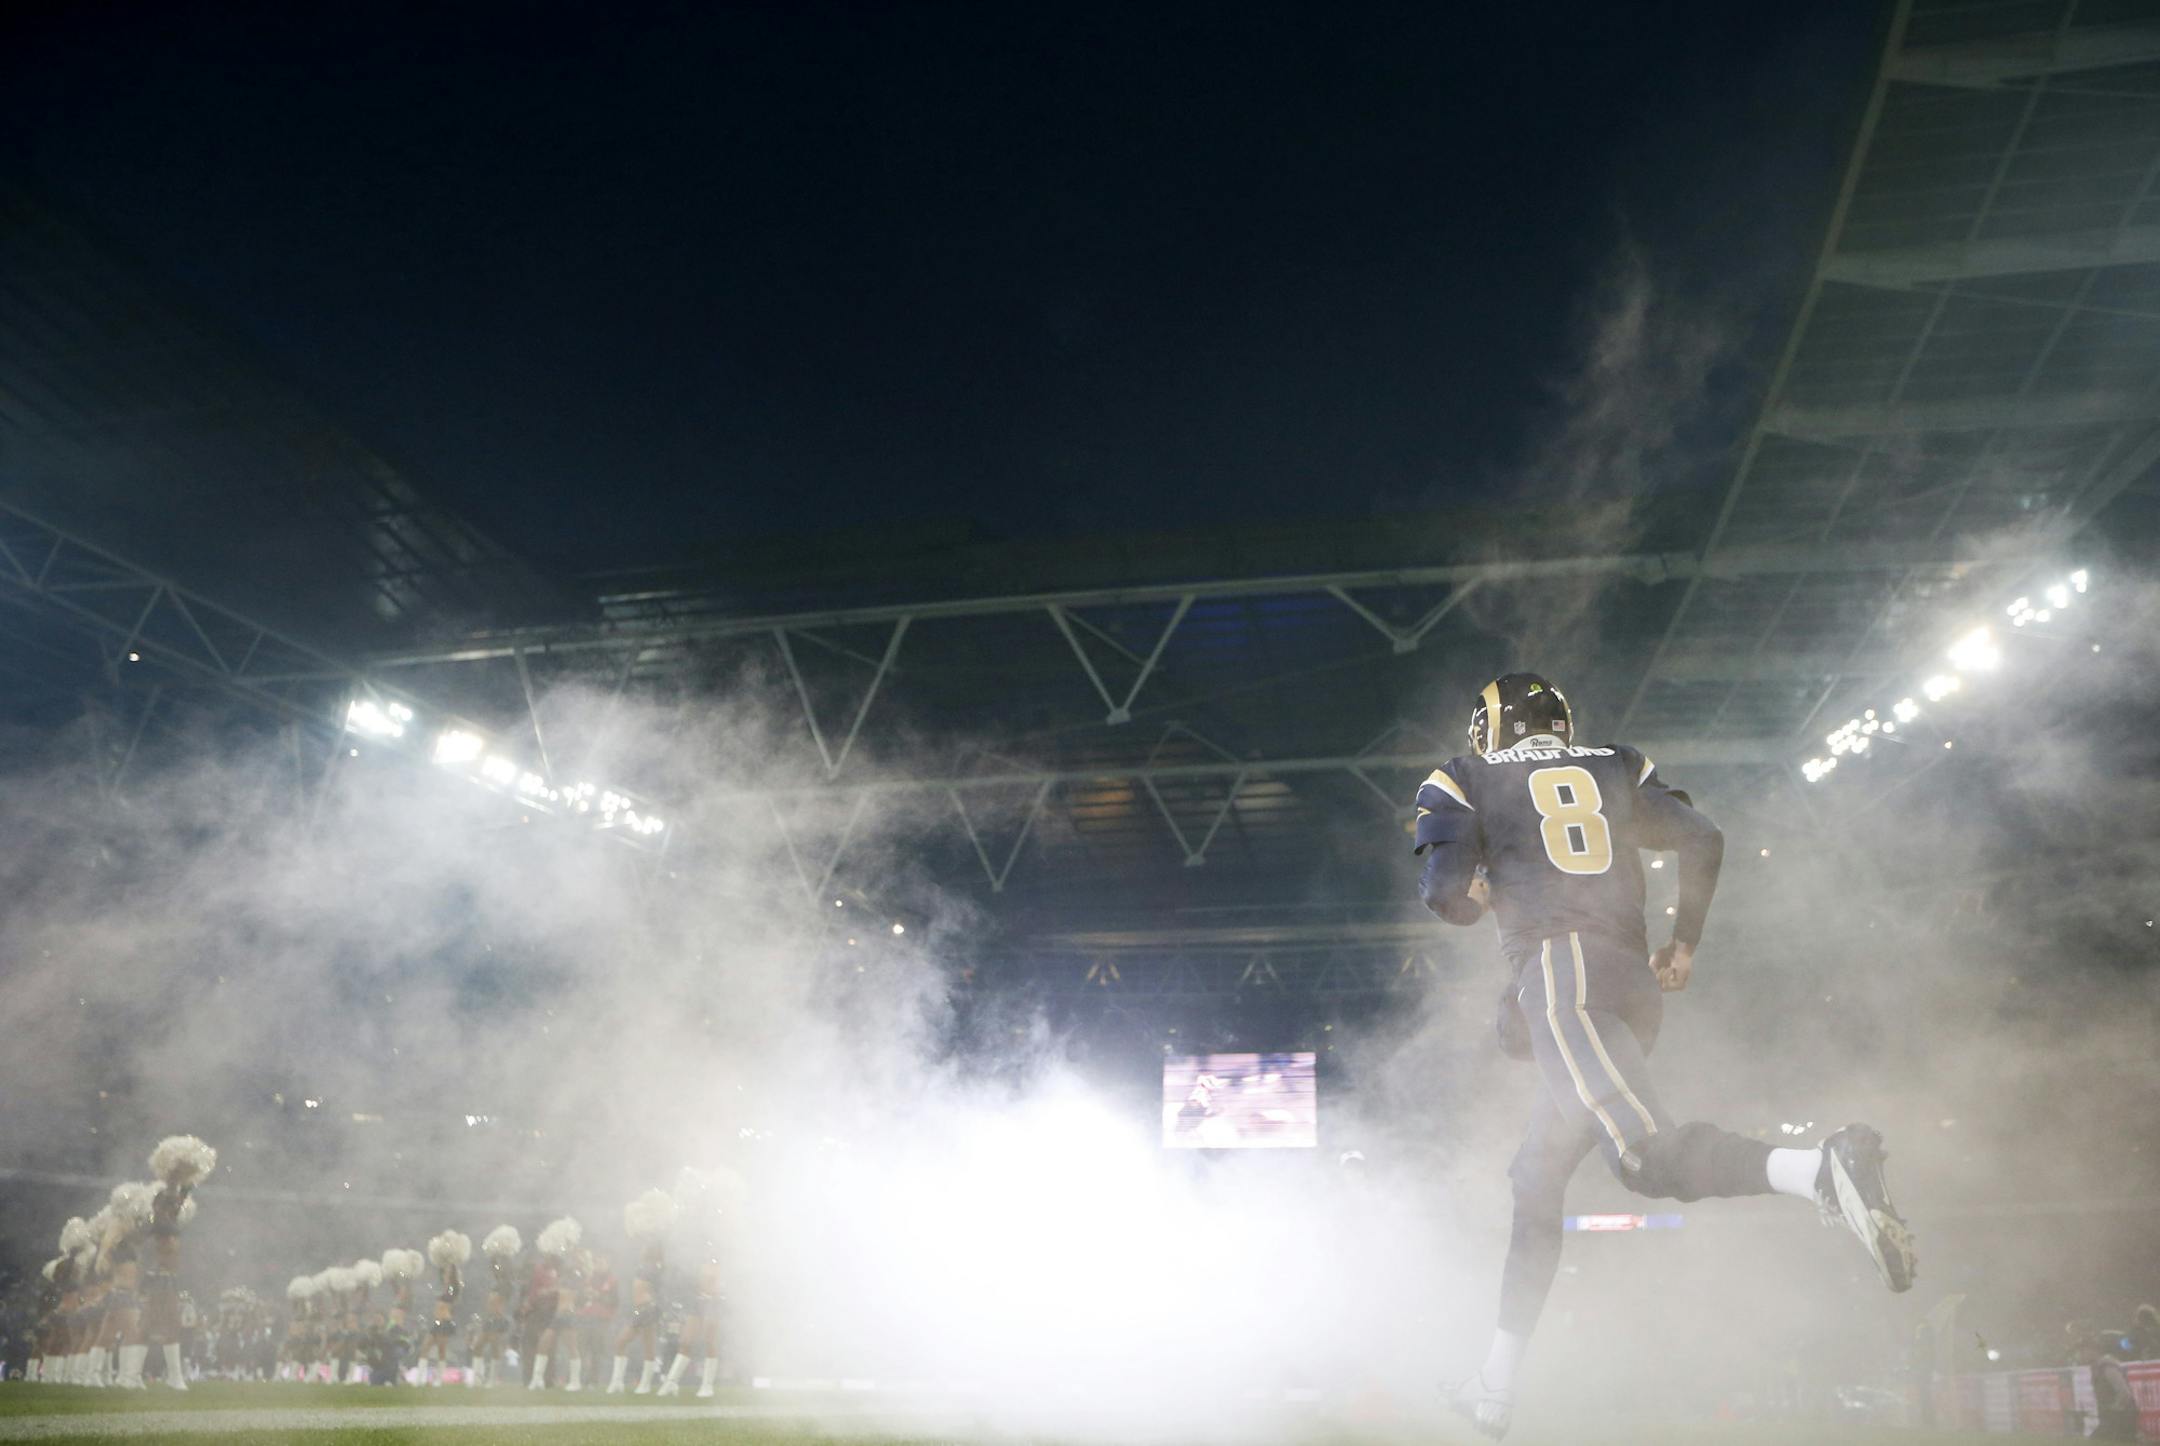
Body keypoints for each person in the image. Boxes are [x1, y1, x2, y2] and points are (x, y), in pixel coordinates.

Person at [1415, 672, 1917, 1441]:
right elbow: (1704, 837)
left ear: (1492, 729)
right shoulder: (1617, 761)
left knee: (1645, 1160)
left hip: (1563, 977)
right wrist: (1683, 942)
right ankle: (1494, 1385)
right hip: (1627, 985)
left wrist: (1471, 897)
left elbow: (1443, 890)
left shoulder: (1466, 775)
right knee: (1533, 1178)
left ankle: (1820, 1166)